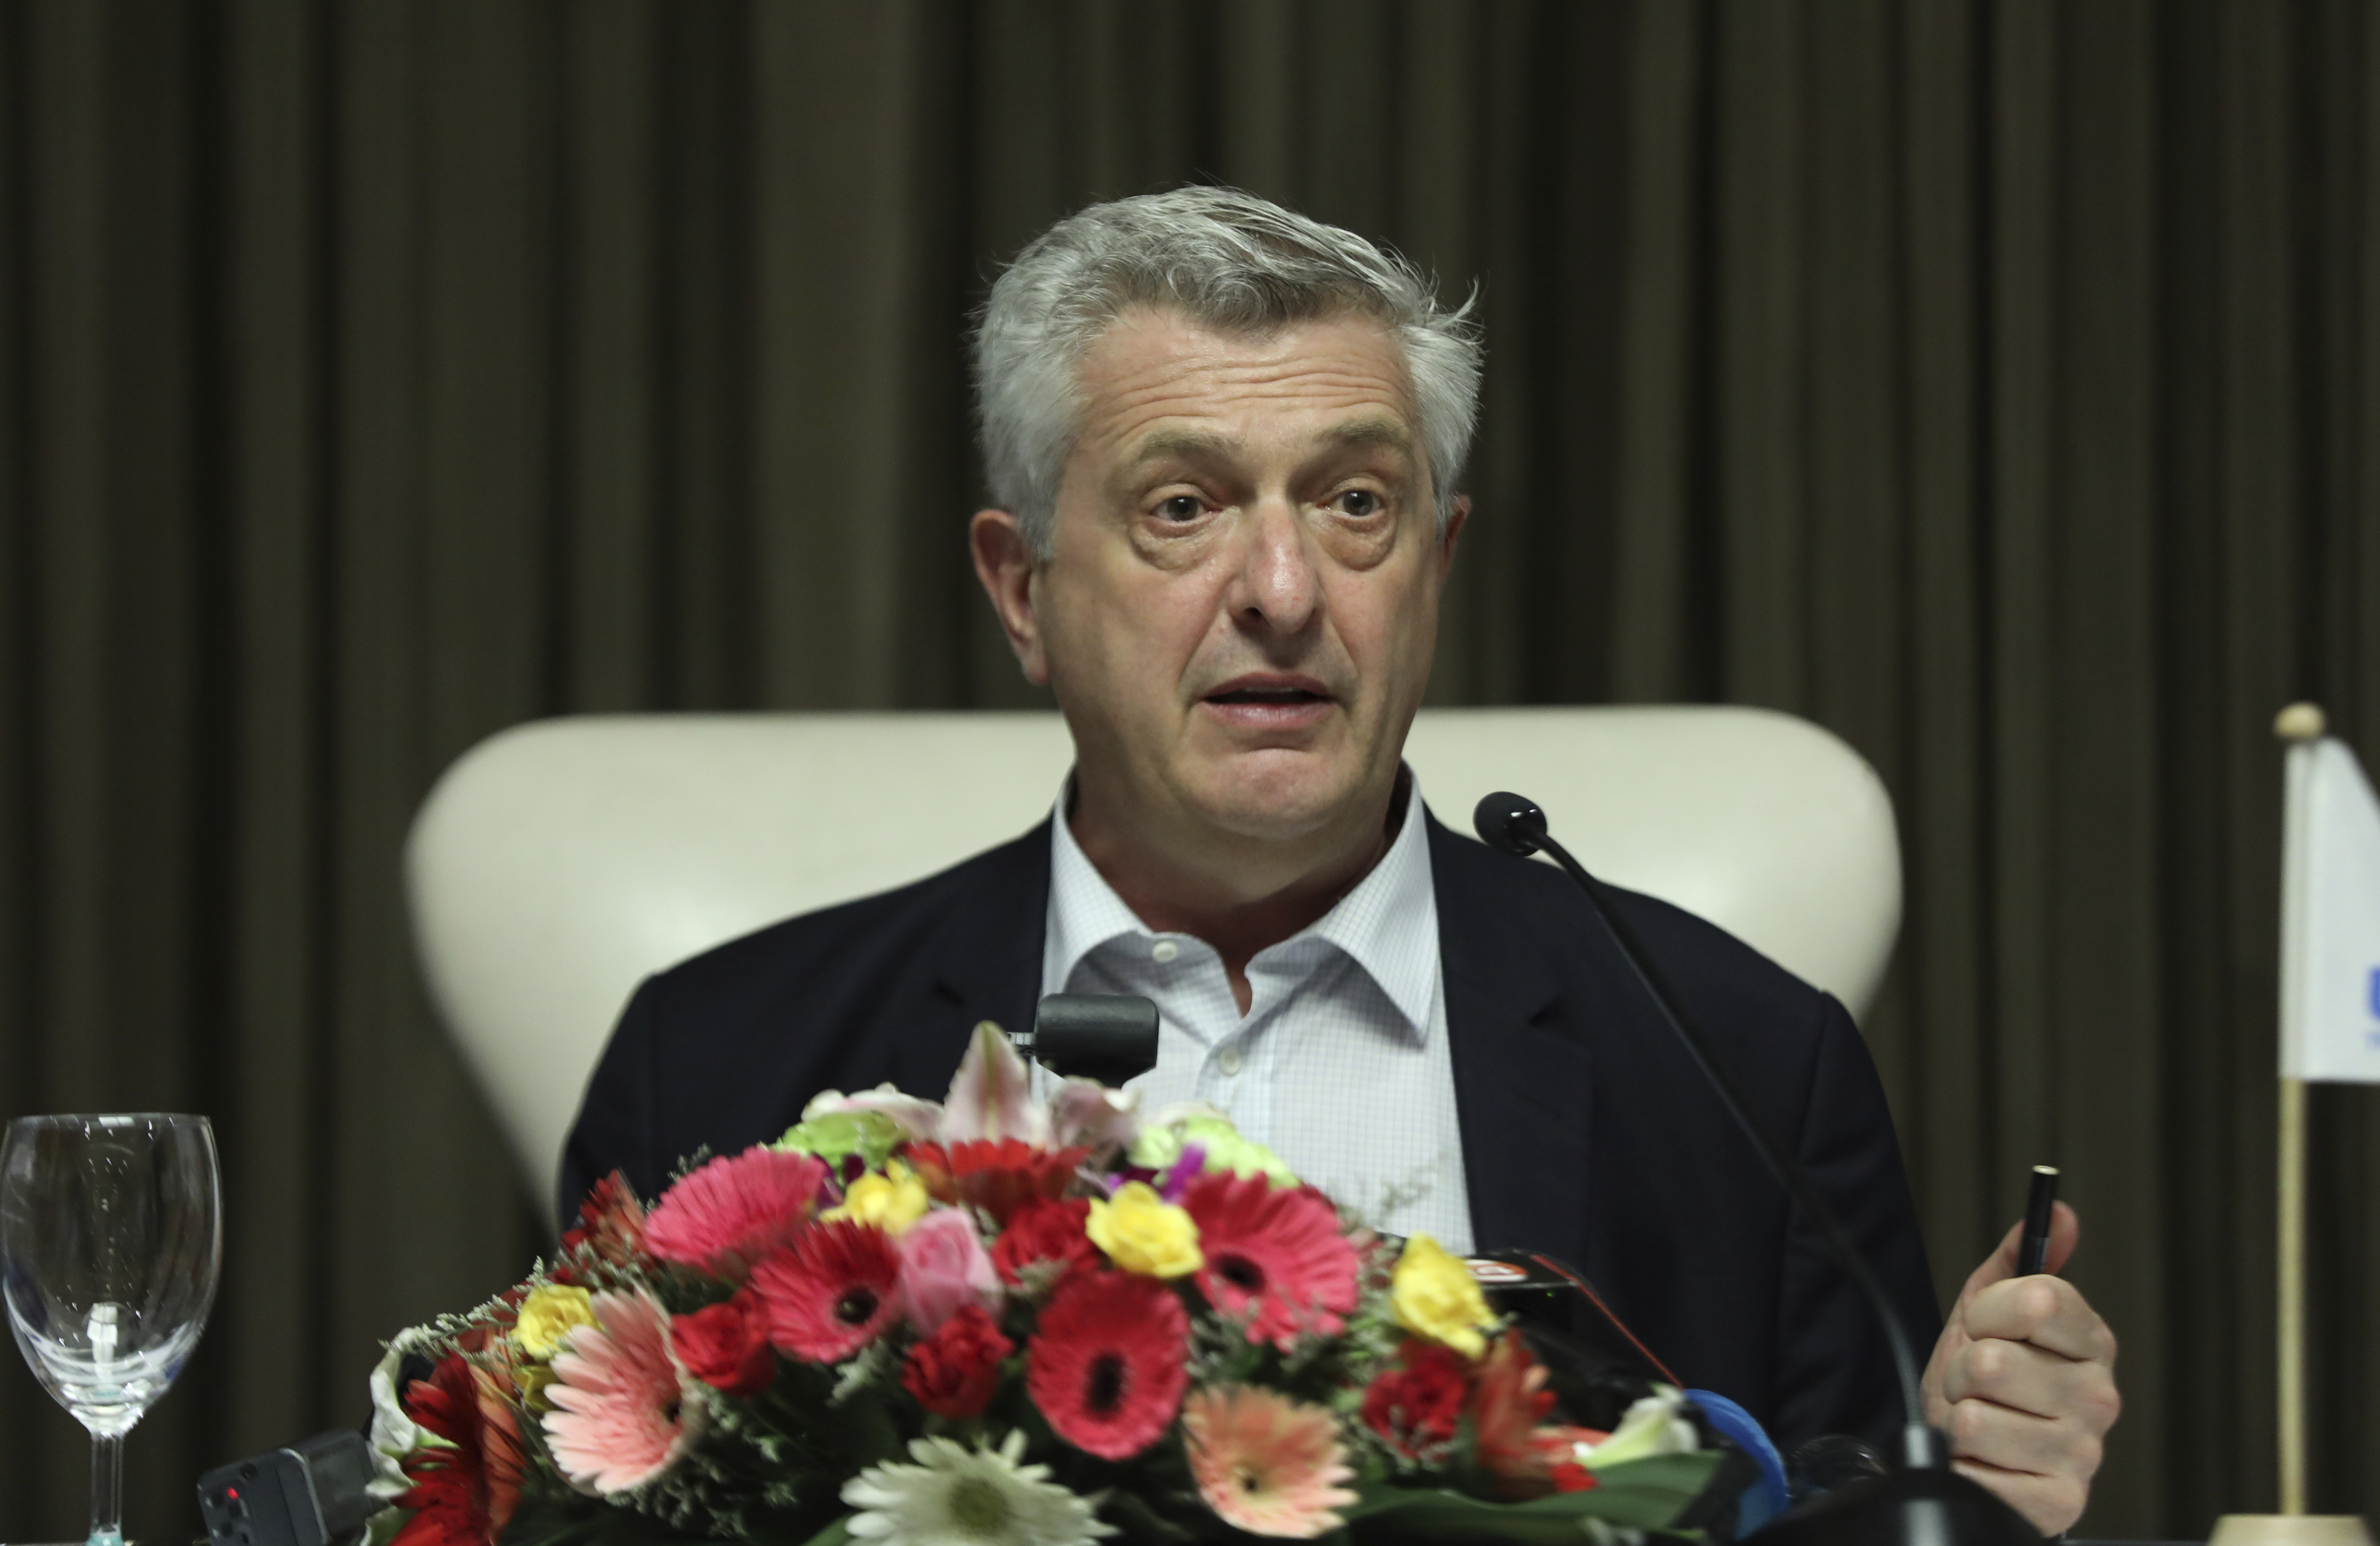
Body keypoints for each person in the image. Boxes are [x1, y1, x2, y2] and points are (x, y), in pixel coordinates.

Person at [562, 188, 2120, 1535]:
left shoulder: (1744, 1075)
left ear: (1433, 565)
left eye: (1355, 503)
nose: (1287, 589)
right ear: (1022, 587)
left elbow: (1862, 1510)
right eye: (1185, 508)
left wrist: (1972, 1489)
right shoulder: (714, 1071)